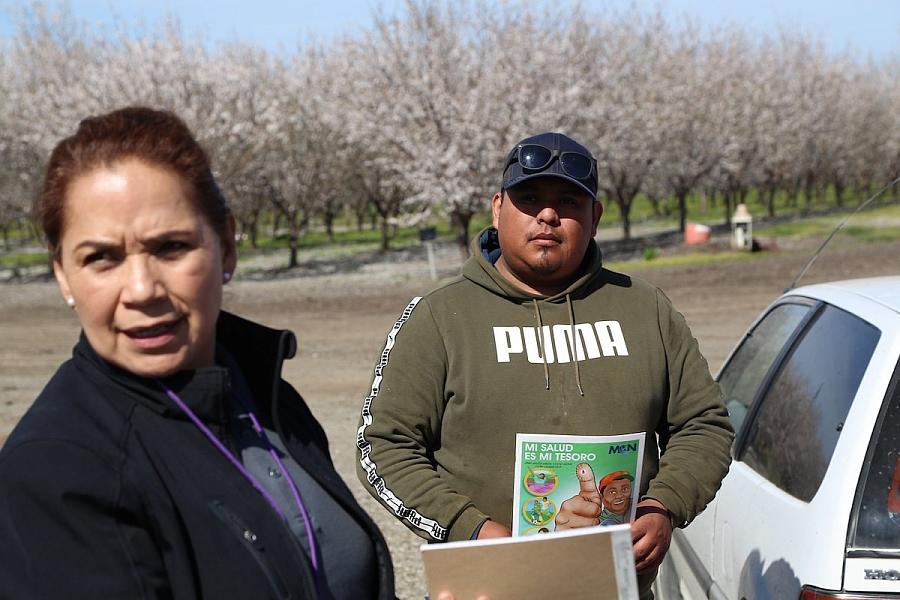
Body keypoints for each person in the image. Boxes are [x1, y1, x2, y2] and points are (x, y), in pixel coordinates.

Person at [0, 106, 394, 599]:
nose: (141, 289)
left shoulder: (264, 393)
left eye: (170, 247)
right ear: (63, 275)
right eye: (101, 258)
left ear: (226, 247)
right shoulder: (56, 471)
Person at [356, 132, 734, 597]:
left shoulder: (645, 309)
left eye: (569, 201)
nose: (548, 214)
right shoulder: (438, 317)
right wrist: (472, 530)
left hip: (617, 588)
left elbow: (705, 424)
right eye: (529, 198)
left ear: (595, 217)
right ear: (497, 209)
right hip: (488, 588)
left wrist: (664, 506)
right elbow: (383, 447)